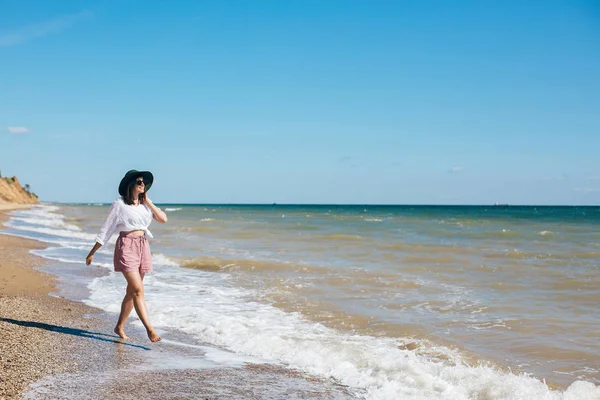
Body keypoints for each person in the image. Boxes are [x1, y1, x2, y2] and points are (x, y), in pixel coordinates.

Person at [85, 170, 168, 342]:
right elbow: (107, 229)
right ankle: (150, 330)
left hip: (143, 246)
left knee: (132, 292)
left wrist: (149, 203)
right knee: (138, 289)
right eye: (139, 181)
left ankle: (119, 327)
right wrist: (93, 252)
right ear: (130, 184)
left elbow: (163, 219)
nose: (142, 184)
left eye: (144, 182)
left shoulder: (146, 204)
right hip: (126, 246)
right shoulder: (119, 205)